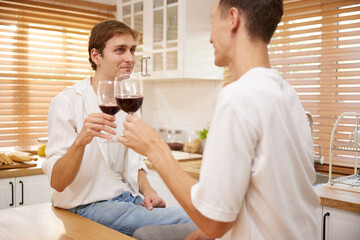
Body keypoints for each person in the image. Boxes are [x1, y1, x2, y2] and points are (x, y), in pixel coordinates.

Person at [118, 0, 321, 239]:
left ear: (233, 19)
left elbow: (213, 222)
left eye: (212, 23)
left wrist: (154, 147)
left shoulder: (239, 96)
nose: (210, 37)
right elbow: (270, 196)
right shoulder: (288, 94)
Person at [42, 20, 192, 237]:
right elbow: (57, 181)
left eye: (132, 50)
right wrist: (81, 141)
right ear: (96, 56)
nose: (130, 58)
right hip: (89, 206)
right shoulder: (67, 102)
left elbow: (134, 161)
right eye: (120, 50)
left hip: (128, 202)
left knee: (155, 233)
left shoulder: (128, 102)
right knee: (195, 219)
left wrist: (149, 191)